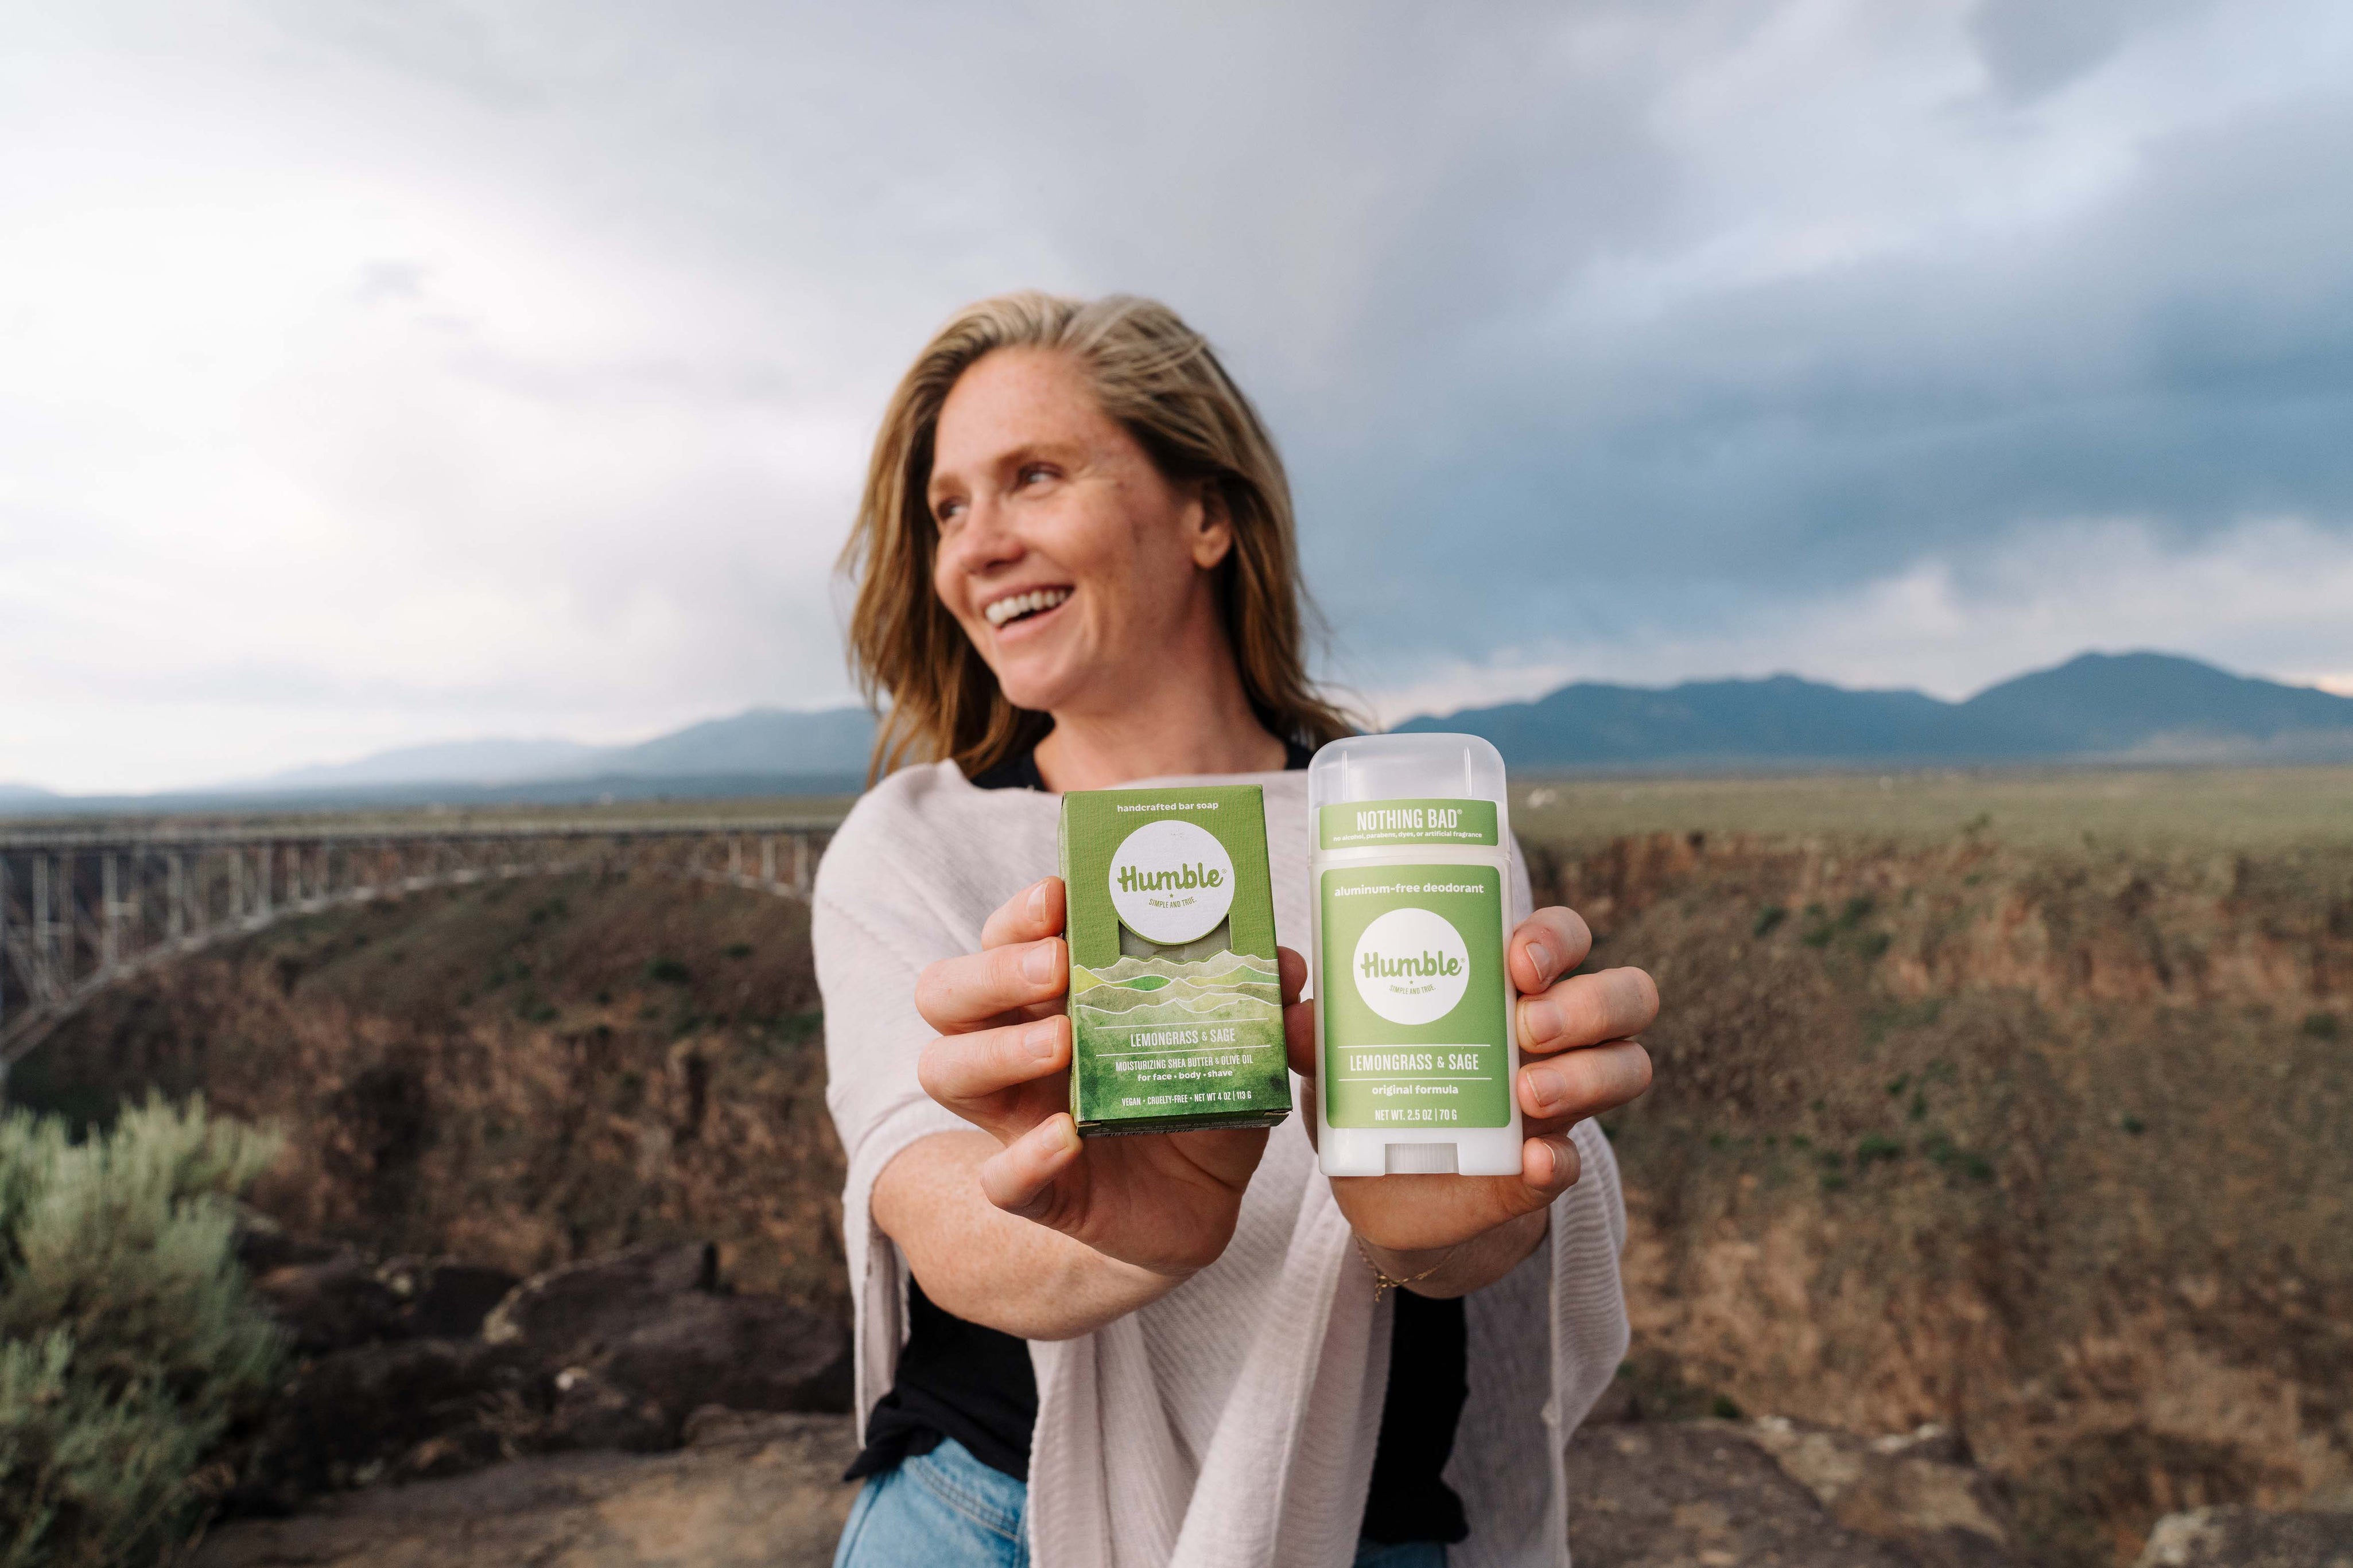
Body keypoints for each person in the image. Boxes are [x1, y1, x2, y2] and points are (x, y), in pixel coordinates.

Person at [816, 293, 1658, 1568]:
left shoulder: (1404, 823)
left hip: (1361, 1533)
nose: (974, 546)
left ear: (1206, 514)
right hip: (981, 1524)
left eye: (1034, 476)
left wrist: (1454, 1222)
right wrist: (1127, 1235)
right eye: (946, 508)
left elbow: (1461, 1241)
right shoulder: (910, 841)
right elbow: (932, 1211)